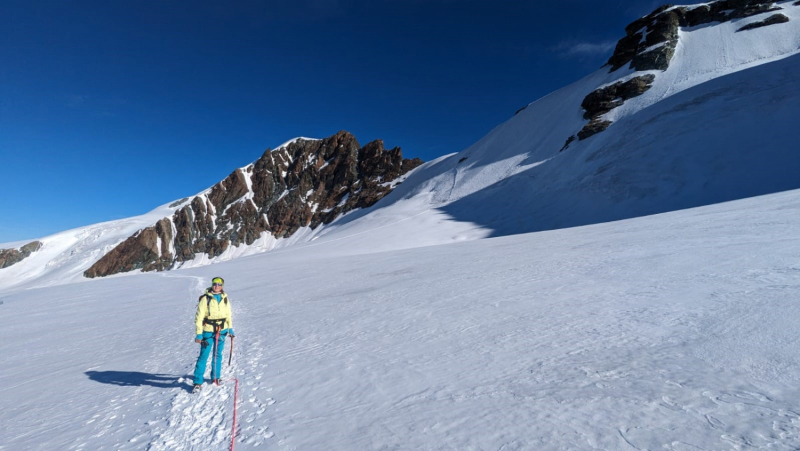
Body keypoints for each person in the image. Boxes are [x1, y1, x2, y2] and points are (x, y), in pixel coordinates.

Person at [192, 277, 235, 393]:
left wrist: (230, 328)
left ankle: (216, 377)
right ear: (212, 285)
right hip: (208, 331)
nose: (216, 286)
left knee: (218, 355)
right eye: (214, 284)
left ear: (222, 286)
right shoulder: (205, 299)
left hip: (222, 330)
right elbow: (199, 317)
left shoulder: (225, 298)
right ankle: (197, 382)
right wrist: (199, 334)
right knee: (203, 356)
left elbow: (228, 314)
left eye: (219, 284)